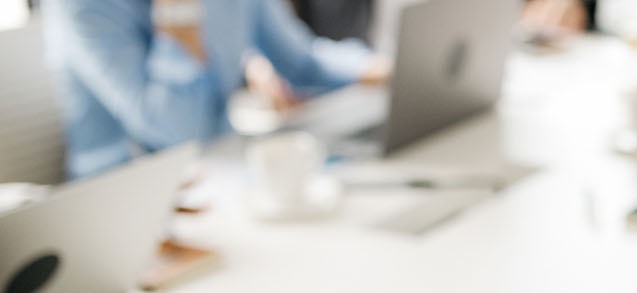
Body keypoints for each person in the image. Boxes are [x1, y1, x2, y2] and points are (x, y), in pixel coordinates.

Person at [43, 0, 389, 179]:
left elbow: (302, 63)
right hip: (124, 199)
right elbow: (177, 134)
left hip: (222, 170)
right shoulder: (83, 6)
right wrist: (178, 15)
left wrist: (378, 68)